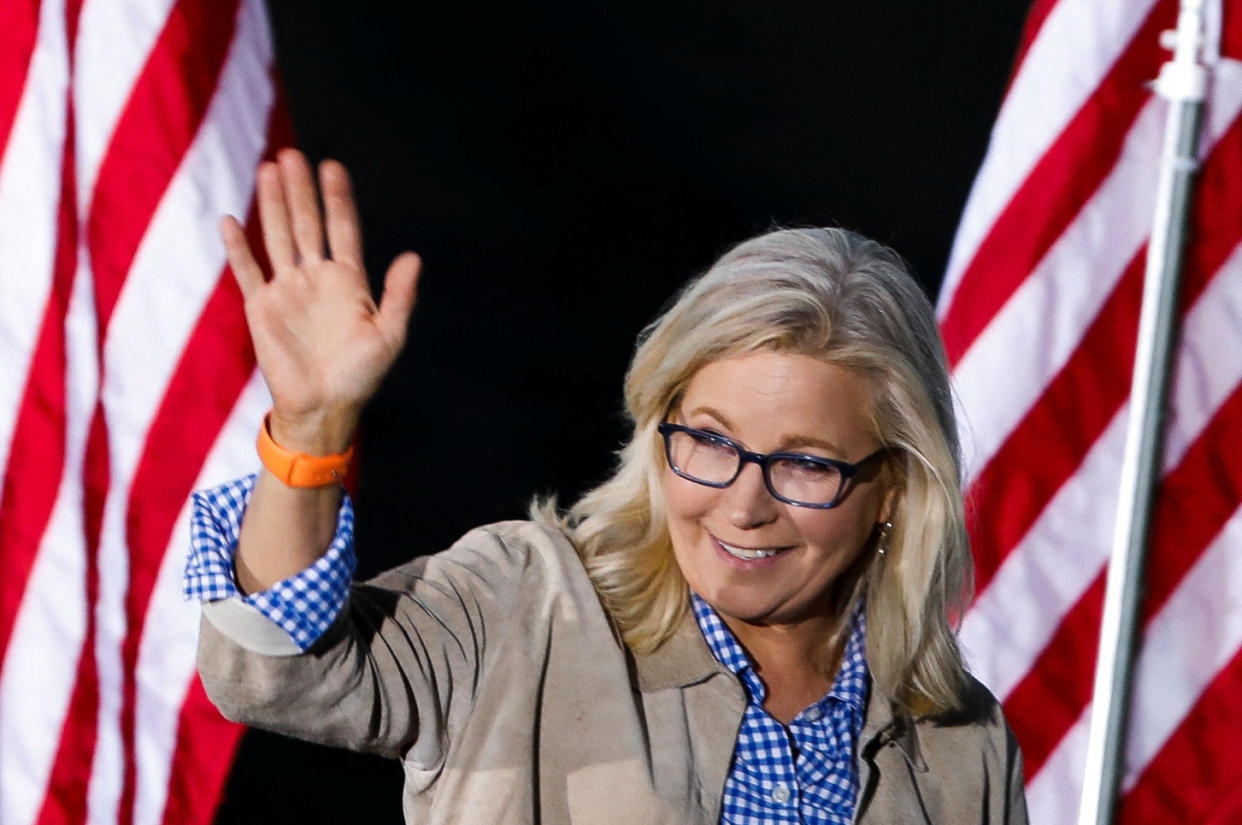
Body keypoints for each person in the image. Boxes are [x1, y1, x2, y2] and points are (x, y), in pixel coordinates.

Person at [187, 148, 1028, 824]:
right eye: (710, 440)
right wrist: (309, 434)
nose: (742, 503)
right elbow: (276, 668)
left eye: (805, 463)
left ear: (893, 488)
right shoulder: (521, 606)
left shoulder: (964, 742)